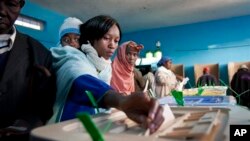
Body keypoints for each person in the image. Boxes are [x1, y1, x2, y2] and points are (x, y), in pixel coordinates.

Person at [50, 15, 164, 134]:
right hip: (67, 127)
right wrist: (122, 101)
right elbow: (80, 76)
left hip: (93, 124)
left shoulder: (104, 65)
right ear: (91, 39)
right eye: (106, 38)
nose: (112, 45)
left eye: (116, 41)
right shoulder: (69, 55)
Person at [0, 0, 56, 140]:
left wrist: (29, 123)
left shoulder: (40, 54)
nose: (1, 10)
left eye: (11, 3)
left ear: (20, 6)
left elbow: (44, 105)